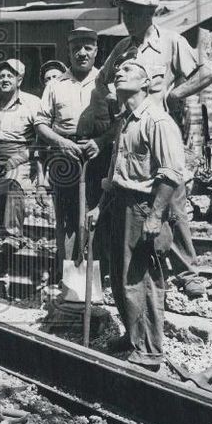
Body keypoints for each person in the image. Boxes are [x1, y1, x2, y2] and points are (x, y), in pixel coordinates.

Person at [79, 0, 212, 299]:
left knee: (173, 200)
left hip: (161, 134)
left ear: (150, 14)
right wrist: (110, 110)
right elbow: (101, 82)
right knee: (127, 203)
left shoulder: (171, 42)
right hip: (130, 134)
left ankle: (188, 272)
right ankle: (138, 271)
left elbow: (208, 72)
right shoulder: (122, 48)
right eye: (124, 14)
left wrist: (175, 95)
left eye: (133, 14)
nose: (127, 20)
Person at [89, 58, 185, 371]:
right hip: (119, 204)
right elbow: (115, 173)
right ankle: (132, 336)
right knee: (119, 277)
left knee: (143, 279)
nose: (119, 71)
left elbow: (170, 174)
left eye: (129, 69)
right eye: (118, 70)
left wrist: (156, 216)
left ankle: (150, 350)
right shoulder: (126, 121)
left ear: (146, 83)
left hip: (144, 206)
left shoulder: (156, 120)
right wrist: (99, 207)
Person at [35, 28, 101, 282]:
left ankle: (95, 281)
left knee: (96, 218)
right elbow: (40, 124)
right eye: (76, 49)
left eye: (88, 48)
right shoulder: (55, 85)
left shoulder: (106, 82)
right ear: (69, 52)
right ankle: (70, 281)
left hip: (97, 155)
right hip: (65, 157)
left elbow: (118, 122)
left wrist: (101, 141)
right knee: (67, 220)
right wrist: (61, 143)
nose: (82, 53)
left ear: (96, 51)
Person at [0, 59, 43, 259]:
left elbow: (39, 139)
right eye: (2, 76)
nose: (4, 79)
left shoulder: (32, 102)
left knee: (12, 183)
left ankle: (12, 237)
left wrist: (19, 158)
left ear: (19, 80)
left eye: (9, 76)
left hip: (21, 155)